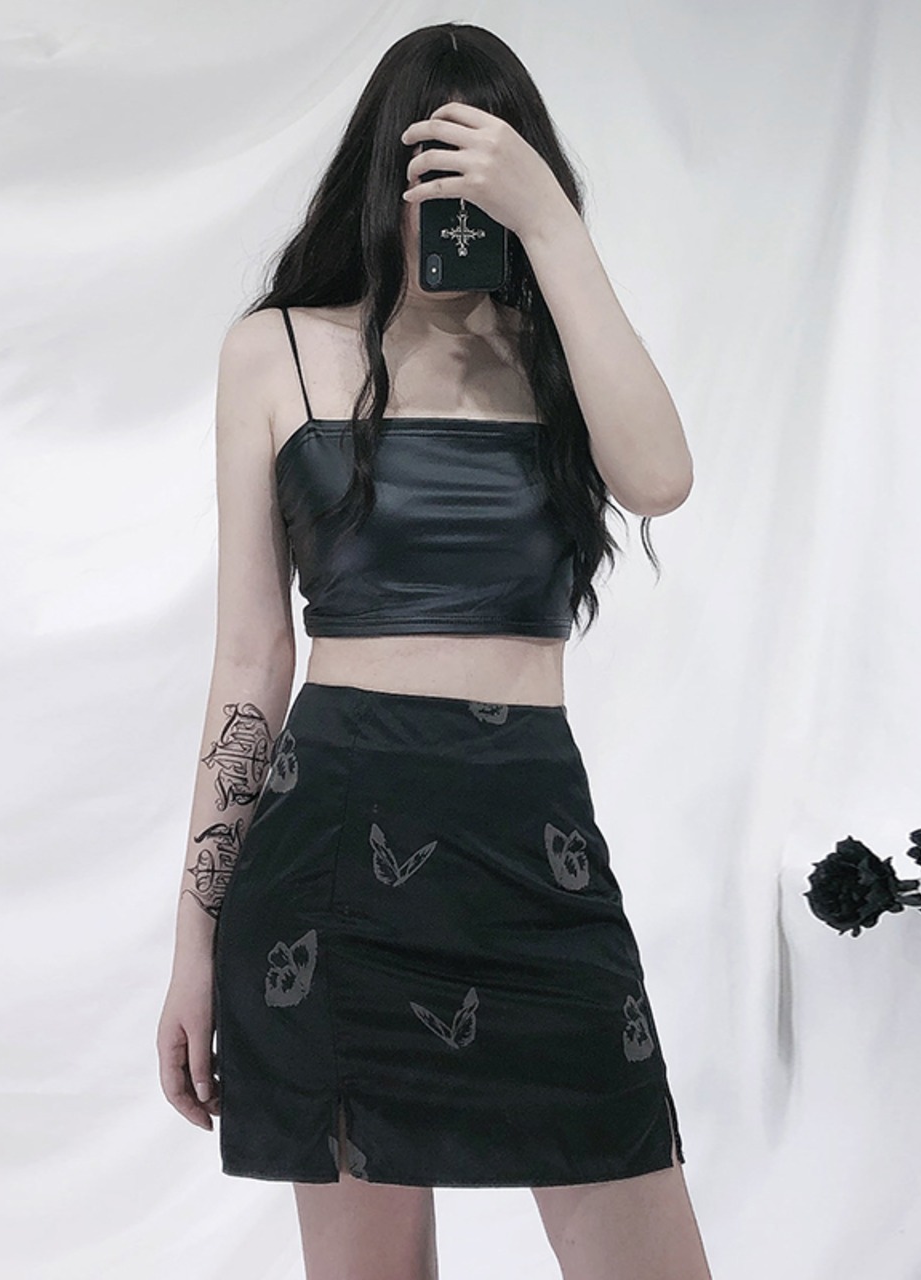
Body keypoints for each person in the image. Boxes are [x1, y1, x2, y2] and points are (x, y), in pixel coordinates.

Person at [157, 21, 711, 1280]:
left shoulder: (556, 357)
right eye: (434, 175)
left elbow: (661, 478)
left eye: (489, 178)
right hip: (330, 853)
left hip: (531, 840)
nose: (459, 211)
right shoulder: (277, 349)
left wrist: (553, 231)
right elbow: (249, 660)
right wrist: (193, 945)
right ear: (384, 177)